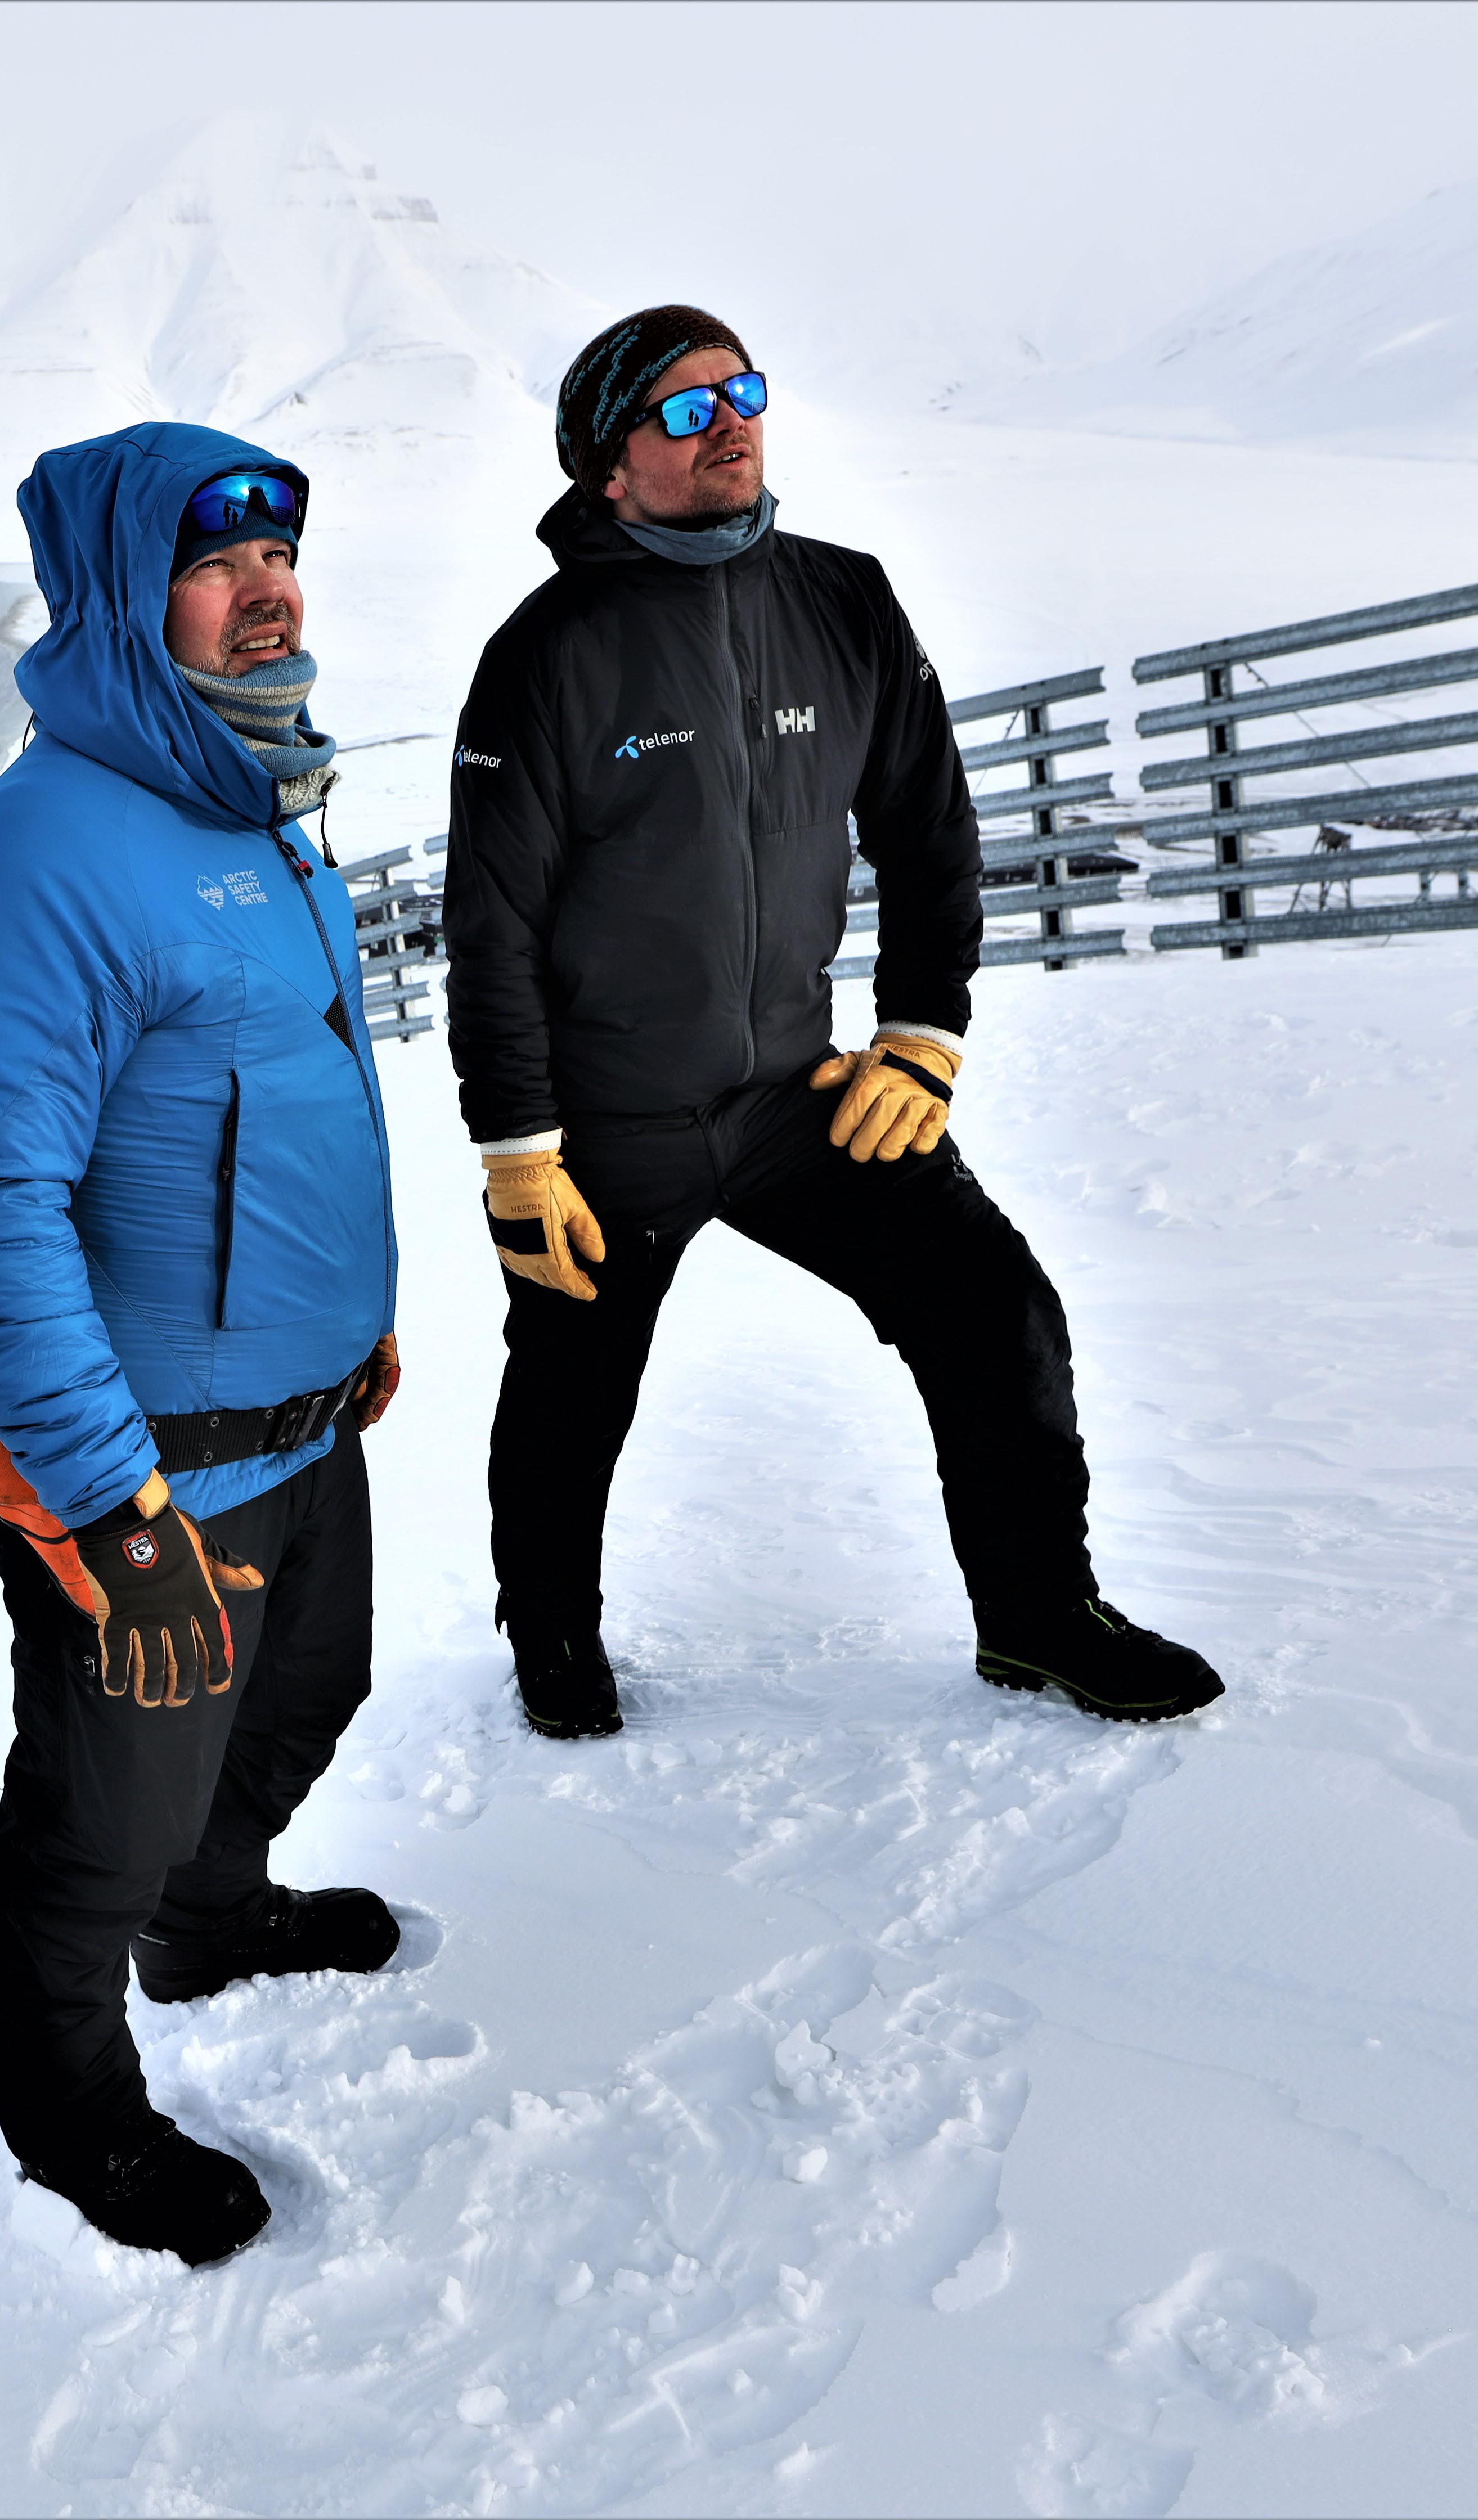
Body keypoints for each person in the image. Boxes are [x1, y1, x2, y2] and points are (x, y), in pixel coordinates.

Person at [447, 307, 1224, 1740]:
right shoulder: (545, 653)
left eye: (740, 391)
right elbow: (491, 922)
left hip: (800, 1098)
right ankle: (551, 1633)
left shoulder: (848, 601)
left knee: (999, 1313)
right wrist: (516, 1144)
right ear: (608, 465)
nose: (729, 421)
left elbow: (932, 835)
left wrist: (923, 1034)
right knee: (571, 1387)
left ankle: (1040, 1617)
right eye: (683, 409)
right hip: (608, 1125)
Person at [0, 423, 403, 2269]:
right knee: (95, 1825)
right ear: (126, 596)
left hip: (307, 1420)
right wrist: (111, 1509)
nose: (267, 584)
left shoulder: (251, 805)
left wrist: (353, 1330)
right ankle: (73, 2122)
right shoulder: (39, 857)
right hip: (154, 1472)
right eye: (215, 558)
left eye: (283, 547)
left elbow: (267, 1108)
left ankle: (212, 1920)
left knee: (306, 1701)